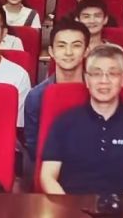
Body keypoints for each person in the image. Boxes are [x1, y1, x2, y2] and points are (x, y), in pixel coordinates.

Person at [39, 44, 123, 195]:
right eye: (96, 74)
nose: (104, 80)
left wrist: (120, 205)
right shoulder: (64, 122)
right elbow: (48, 177)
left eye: (112, 73)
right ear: (87, 79)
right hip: (70, 204)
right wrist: (67, 206)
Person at [23, 21, 91, 175]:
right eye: (61, 46)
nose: (68, 52)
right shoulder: (36, 96)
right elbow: (34, 147)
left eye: (76, 45)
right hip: (51, 171)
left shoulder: (97, 91)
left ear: (86, 51)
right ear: (51, 51)